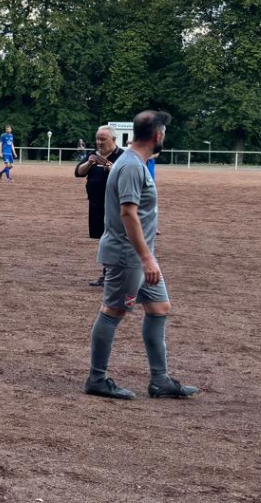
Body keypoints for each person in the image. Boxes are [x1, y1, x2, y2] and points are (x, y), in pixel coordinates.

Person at [84, 110, 197, 400]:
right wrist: (147, 257)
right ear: (157, 136)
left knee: (160, 307)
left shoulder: (132, 161)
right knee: (113, 311)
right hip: (128, 255)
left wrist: (149, 229)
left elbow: (133, 211)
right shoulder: (133, 165)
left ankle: (160, 380)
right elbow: (126, 212)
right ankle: (96, 379)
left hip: (138, 251)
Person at [76, 126, 124, 287]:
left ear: (114, 140)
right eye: (97, 138)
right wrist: (89, 163)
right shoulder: (93, 154)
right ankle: (107, 274)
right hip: (95, 205)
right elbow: (78, 172)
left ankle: (115, 275)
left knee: (115, 240)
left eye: (103, 139)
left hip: (115, 207)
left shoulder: (122, 156)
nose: (99, 142)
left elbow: (128, 178)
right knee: (104, 241)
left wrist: (113, 169)